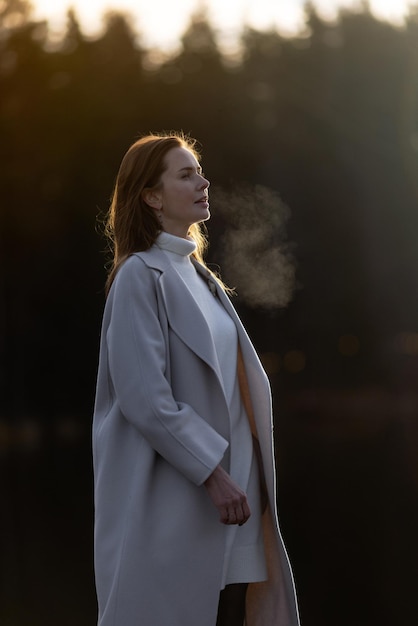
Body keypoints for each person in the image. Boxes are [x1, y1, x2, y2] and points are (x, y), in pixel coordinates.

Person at [92, 132, 300, 626]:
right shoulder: (139, 276)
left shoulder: (199, 274)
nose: (203, 182)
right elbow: (146, 398)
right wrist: (213, 475)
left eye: (199, 171)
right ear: (152, 196)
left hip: (235, 508)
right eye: (186, 174)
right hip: (185, 504)